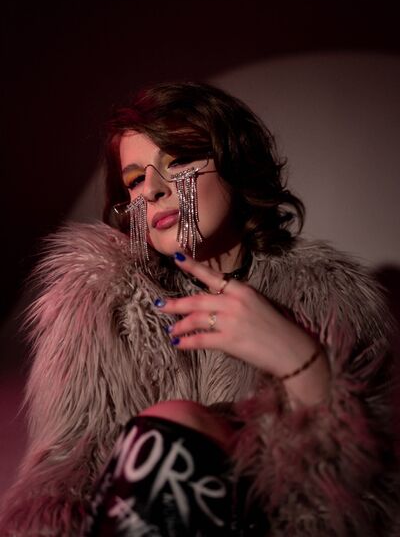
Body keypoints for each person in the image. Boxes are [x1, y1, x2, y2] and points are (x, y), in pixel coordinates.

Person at [0, 82, 398, 536]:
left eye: (179, 161)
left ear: (235, 164)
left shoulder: (332, 301)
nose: (153, 190)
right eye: (134, 180)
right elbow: (60, 485)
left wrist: (301, 363)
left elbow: (370, 500)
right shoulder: (96, 305)